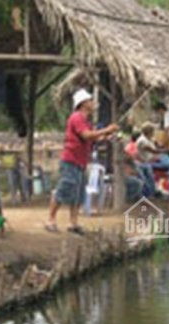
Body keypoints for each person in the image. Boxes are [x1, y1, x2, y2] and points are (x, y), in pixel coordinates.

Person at [46, 89, 118, 234]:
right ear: (83, 103)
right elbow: (86, 135)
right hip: (70, 161)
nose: (92, 103)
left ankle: (73, 223)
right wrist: (106, 130)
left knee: (78, 194)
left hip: (80, 162)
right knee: (64, 189)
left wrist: (107, 136)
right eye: (90, 100)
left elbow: (93, 138)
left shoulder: (86, 121)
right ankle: (50, 220)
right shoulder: (76, 117)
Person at [136, 122, 169, 198]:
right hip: (148, 160)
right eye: (153, 131)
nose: (154, 133)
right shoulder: (142, 141)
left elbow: (158, 147)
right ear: (149, 132)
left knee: (168, 158)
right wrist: (168, 150)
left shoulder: (149, 139)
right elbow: (154, 151)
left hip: (155, 158)